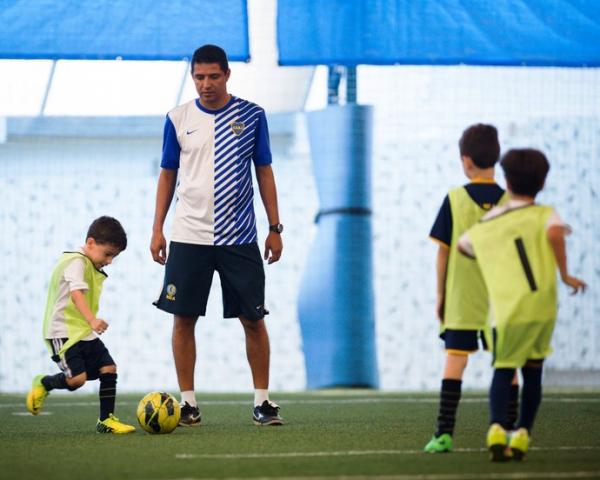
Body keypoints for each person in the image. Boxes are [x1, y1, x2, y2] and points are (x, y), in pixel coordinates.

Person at [150, 44, 284, 427]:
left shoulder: (252, 116)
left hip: (239, 237)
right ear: (192, 77)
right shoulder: (177, 118)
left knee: (254, 319)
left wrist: (275, 228)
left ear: (227, 75)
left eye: (213, 76)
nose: (206, 84)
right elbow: (167, 174)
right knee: (182, 318)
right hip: (188, 236)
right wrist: (157, 228)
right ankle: (188, 403)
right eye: (199, 77)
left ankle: (263, 401)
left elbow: (265, 172)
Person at [458, 148, 586, 461]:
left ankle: (497, 428)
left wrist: (493, 255)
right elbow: (555, 231)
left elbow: (464, 246)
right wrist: (565, 274)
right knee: (533, 372)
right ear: (542, 183)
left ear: (506, 180)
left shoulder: (490, 222)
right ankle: (523, 433)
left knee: (503, 369)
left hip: (507, 311)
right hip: (541, 308)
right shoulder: (545, 214)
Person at [424, 124, 518, 453]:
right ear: (497, 159)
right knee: (508, 363)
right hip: (502, 298)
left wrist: (441, 295)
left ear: (465, 161)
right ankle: (507, 434)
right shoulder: (511, 202)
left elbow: (443, 252)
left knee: (455, 360)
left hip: (462, 297)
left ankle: (443, 434)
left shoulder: (454, 199)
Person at [26, 216, 135, 434]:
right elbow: (76, 294)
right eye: (108, 254)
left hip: (83, 331)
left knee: (108, 367)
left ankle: (106, 420)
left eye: (114, 256)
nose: (110, 261)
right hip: (62, 331)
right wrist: (92, 320)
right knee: (77, 380)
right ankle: (45, 383)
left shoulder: (89, 263)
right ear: (91, 243)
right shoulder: (76, 262)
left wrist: (89, 324)